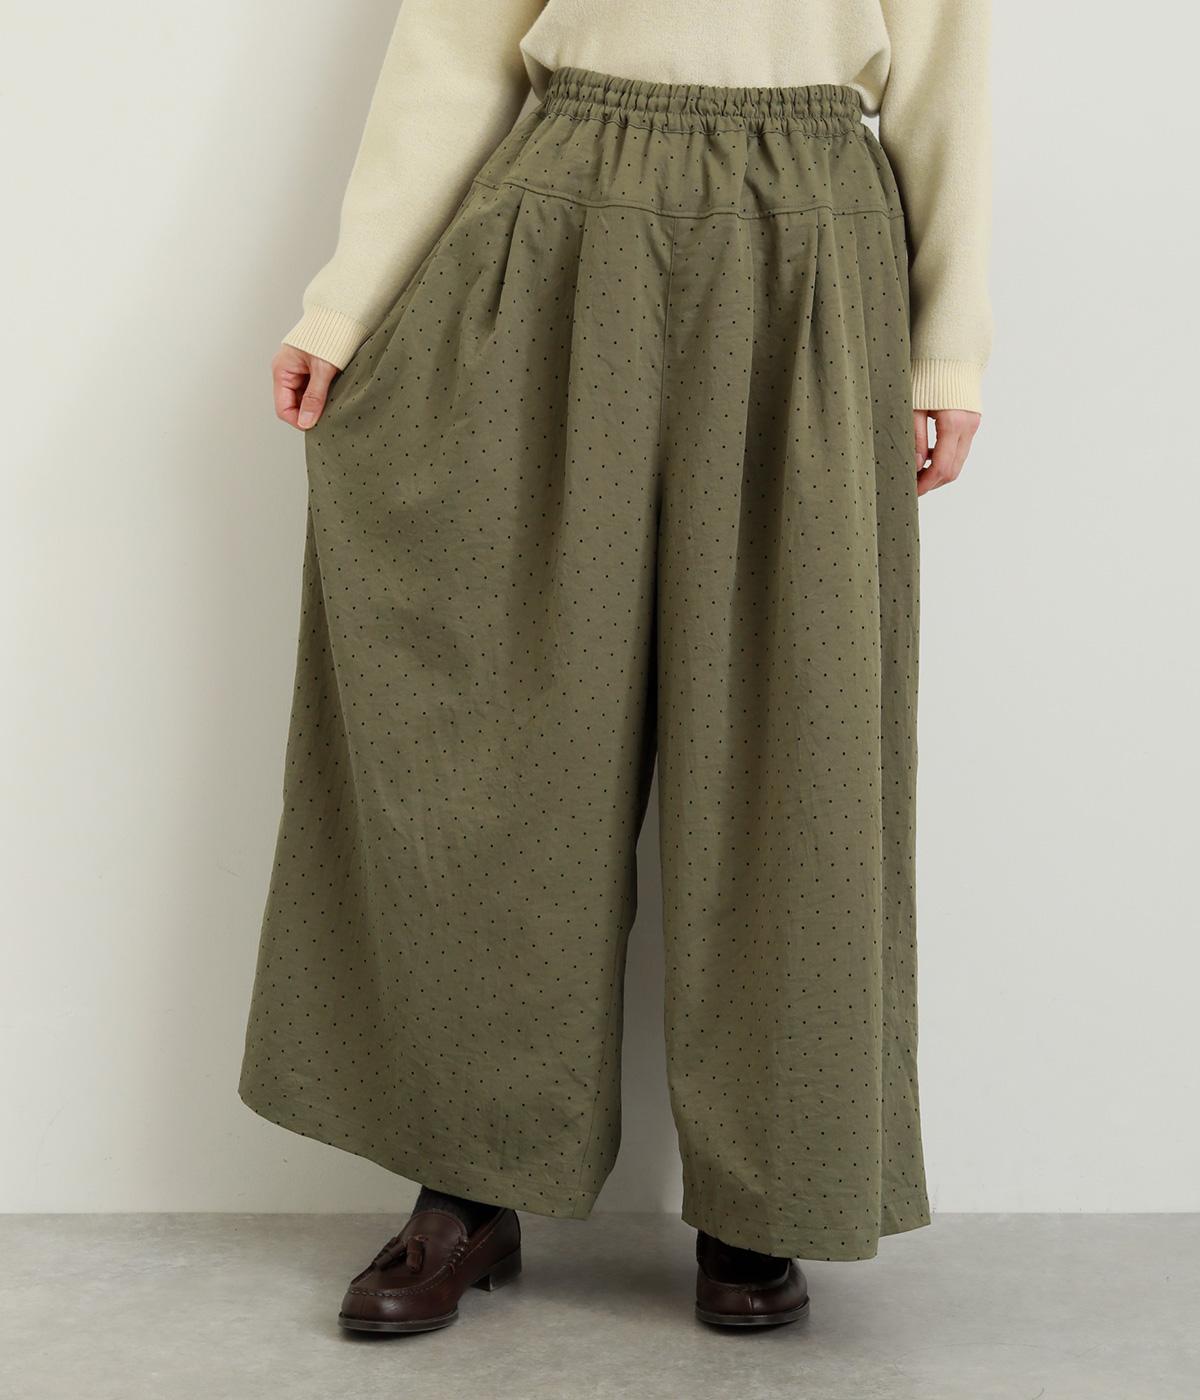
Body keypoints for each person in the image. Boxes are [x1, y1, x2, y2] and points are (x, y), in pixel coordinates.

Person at [242, 0, 990, 1333]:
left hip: (813, 235)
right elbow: (452, 54)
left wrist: (949, 347)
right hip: (558, 216)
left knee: (794, 735)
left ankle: (768, 1194)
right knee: (507, 725)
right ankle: (469, 1182)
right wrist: (344, 303)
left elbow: (947, 78)